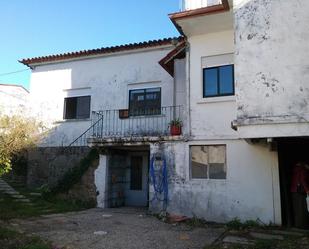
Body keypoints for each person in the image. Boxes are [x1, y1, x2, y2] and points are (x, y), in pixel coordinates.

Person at [290, 162, 309, 229]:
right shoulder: (303, 170)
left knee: (297, 208)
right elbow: (302, 180)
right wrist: (307, 190)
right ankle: (302, 225)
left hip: (294, 191)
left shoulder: (296, 169)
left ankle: (297, 225)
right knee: (302, 208)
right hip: (300, 191)